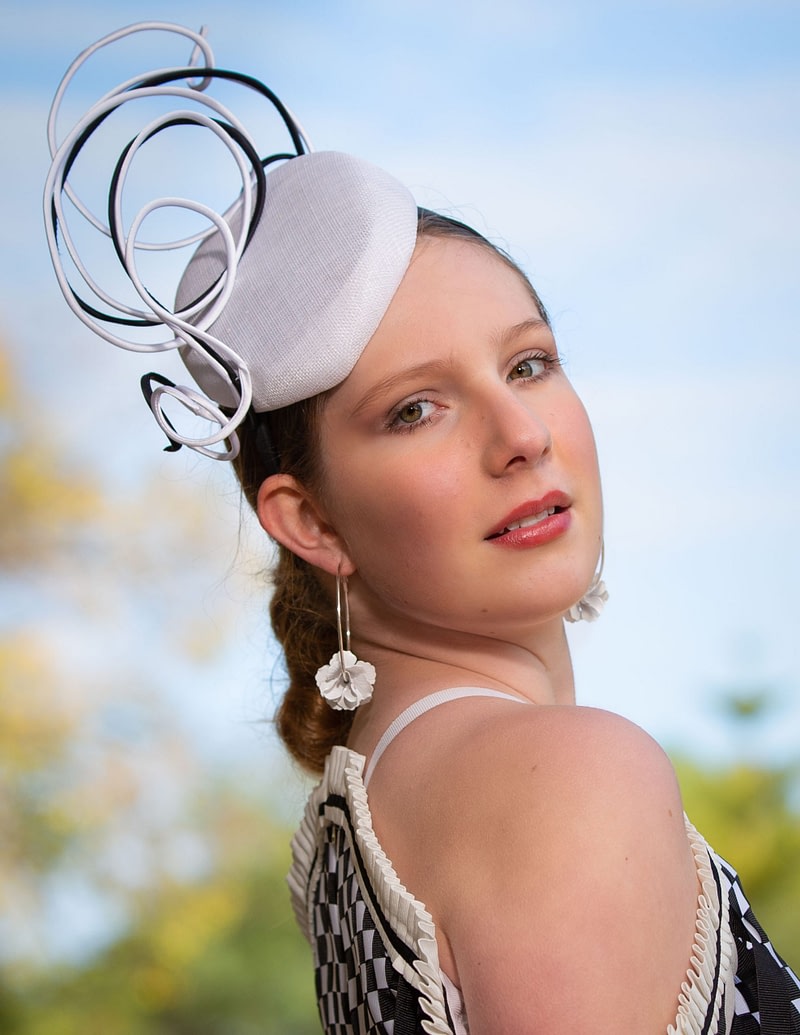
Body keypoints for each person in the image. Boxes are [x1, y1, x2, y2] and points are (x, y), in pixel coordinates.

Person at [45, 23, 800, 1035]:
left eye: (527, 363)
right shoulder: (566, 779)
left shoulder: (364, 809)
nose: (522, 435)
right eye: (415, 410)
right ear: (310, 520)